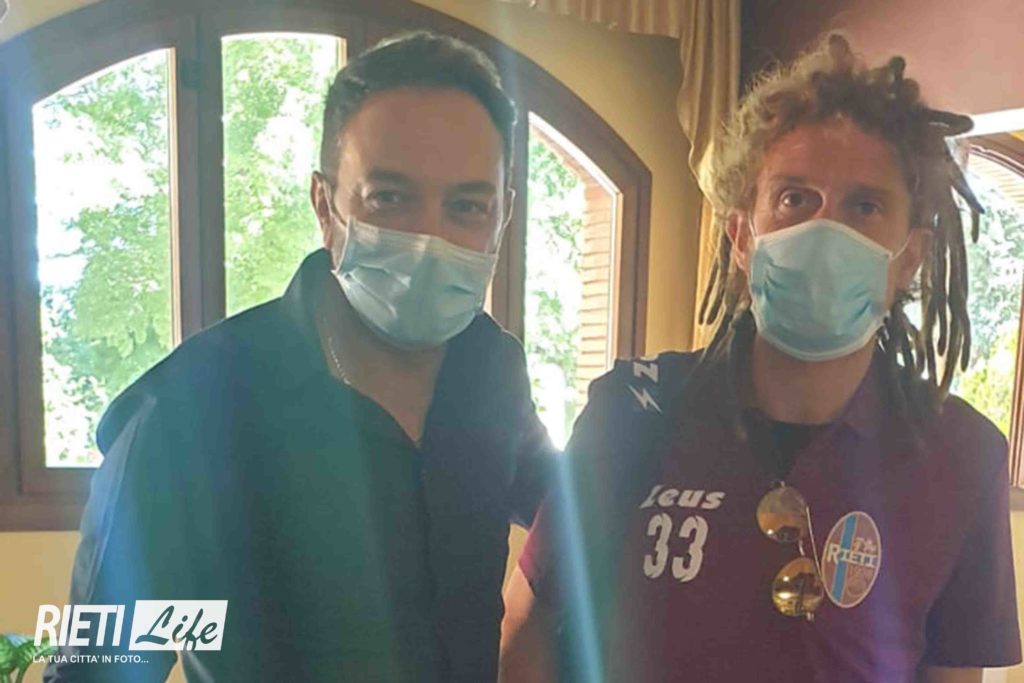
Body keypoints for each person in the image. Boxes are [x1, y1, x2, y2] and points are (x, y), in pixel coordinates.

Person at [500, 34, 1021, 683]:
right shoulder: (633, 410)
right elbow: (526, 625)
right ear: (742, 237)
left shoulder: (963, 453)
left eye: (864, 205)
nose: (826, 231)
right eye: (795, 198)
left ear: (908, 258)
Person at [46, 31, 554, 683]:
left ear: (504, 215)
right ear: (324, 204)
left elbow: (565, 502)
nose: (429, 238)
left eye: (467, 206)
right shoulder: (188, 415)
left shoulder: (492, 370)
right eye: (389, 198)